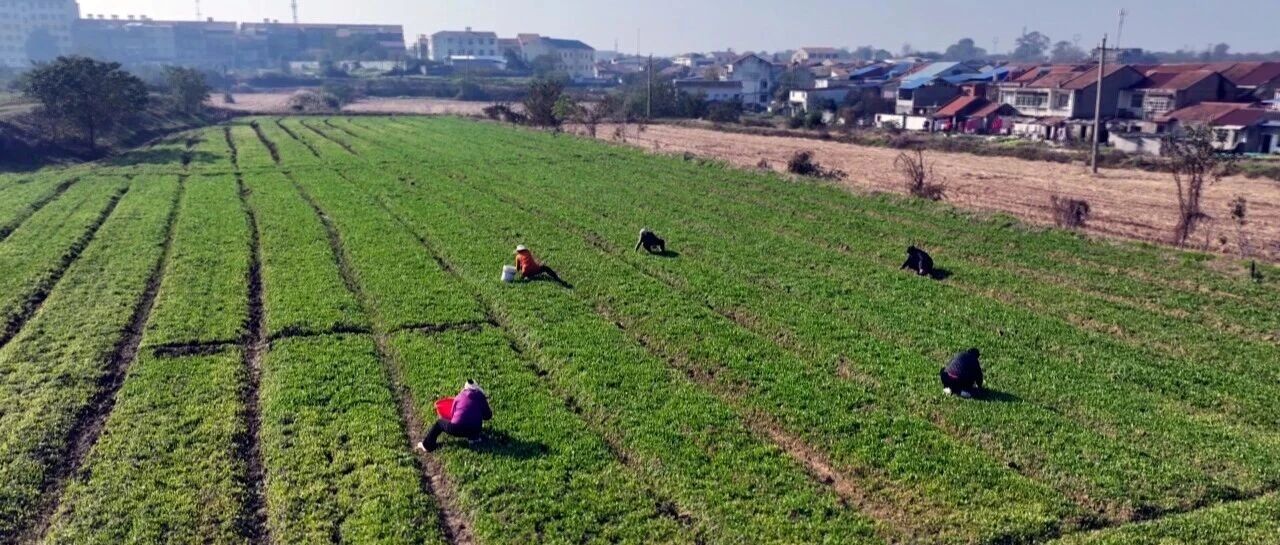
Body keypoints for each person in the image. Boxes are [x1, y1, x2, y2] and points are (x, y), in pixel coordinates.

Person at [418, 380, 492, 452]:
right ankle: (473, 439)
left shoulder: (459, 396)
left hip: (456, 429)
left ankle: (427, 446)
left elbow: (452, 415)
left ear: (465, 388)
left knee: (439, 424)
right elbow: (488, 416)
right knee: (472, 423)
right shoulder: (481, 397)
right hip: (476, 429)